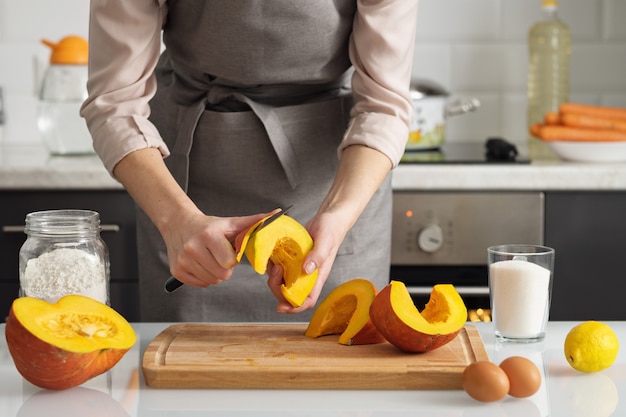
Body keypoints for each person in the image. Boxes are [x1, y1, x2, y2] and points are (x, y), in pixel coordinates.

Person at [81, 0, 418, 322]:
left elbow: (383, 106)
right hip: (183, 193)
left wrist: (338, 215)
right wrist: (176, 221)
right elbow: (114, 104)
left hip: (338, 187)